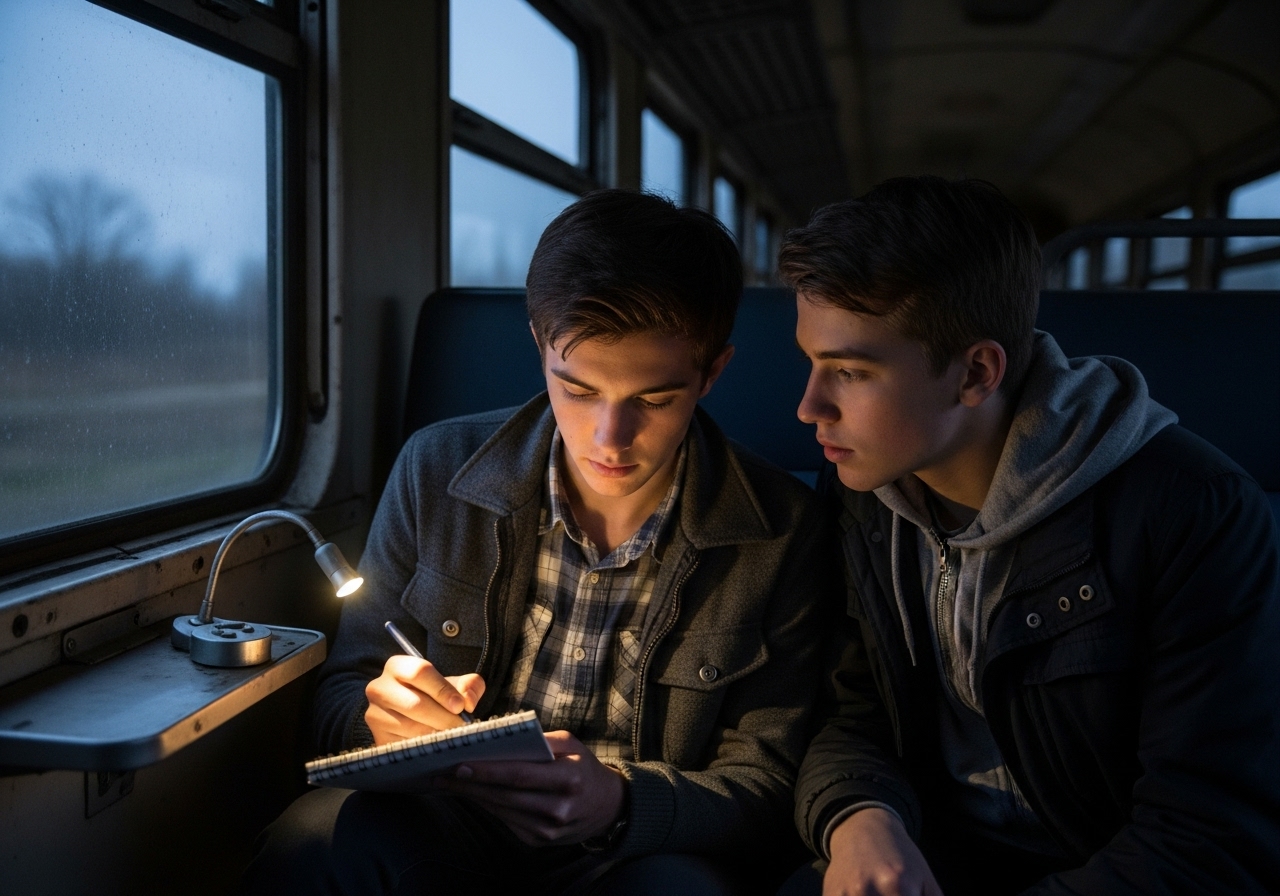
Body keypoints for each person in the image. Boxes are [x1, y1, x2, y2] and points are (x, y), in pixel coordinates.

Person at [240, 189, 832, 895]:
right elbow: (339, 697)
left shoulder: (783, 527)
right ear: (538, 346)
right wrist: (384, 725)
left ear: (713, 372)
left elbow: (766, 784)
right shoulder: (434, 470)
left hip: (637, 851)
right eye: (577, 389)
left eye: (653, 399)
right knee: (316, 838)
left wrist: (620, 802)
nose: (609, 440)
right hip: (449, 825)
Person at [780, 176, 1280, 895]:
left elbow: (1210, 832)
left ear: (977, 373)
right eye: (810, 361)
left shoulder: (1192, 513)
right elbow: (852, 706)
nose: (807, 407)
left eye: (851, 371)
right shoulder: (866, 495)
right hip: (934, 850)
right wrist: (859, 814)